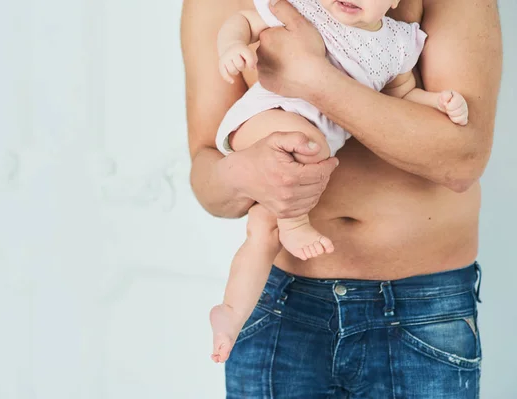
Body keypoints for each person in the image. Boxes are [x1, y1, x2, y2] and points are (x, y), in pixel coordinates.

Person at [181, 0, 502, 396]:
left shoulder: (400, 42)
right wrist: (246, 173)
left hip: (422, 305)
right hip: (280, 298)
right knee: (263, 229)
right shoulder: (269, 8)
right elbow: (206, 170)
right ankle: (230, 311)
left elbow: (461, 161)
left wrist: (313, 77)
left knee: (271, 217)